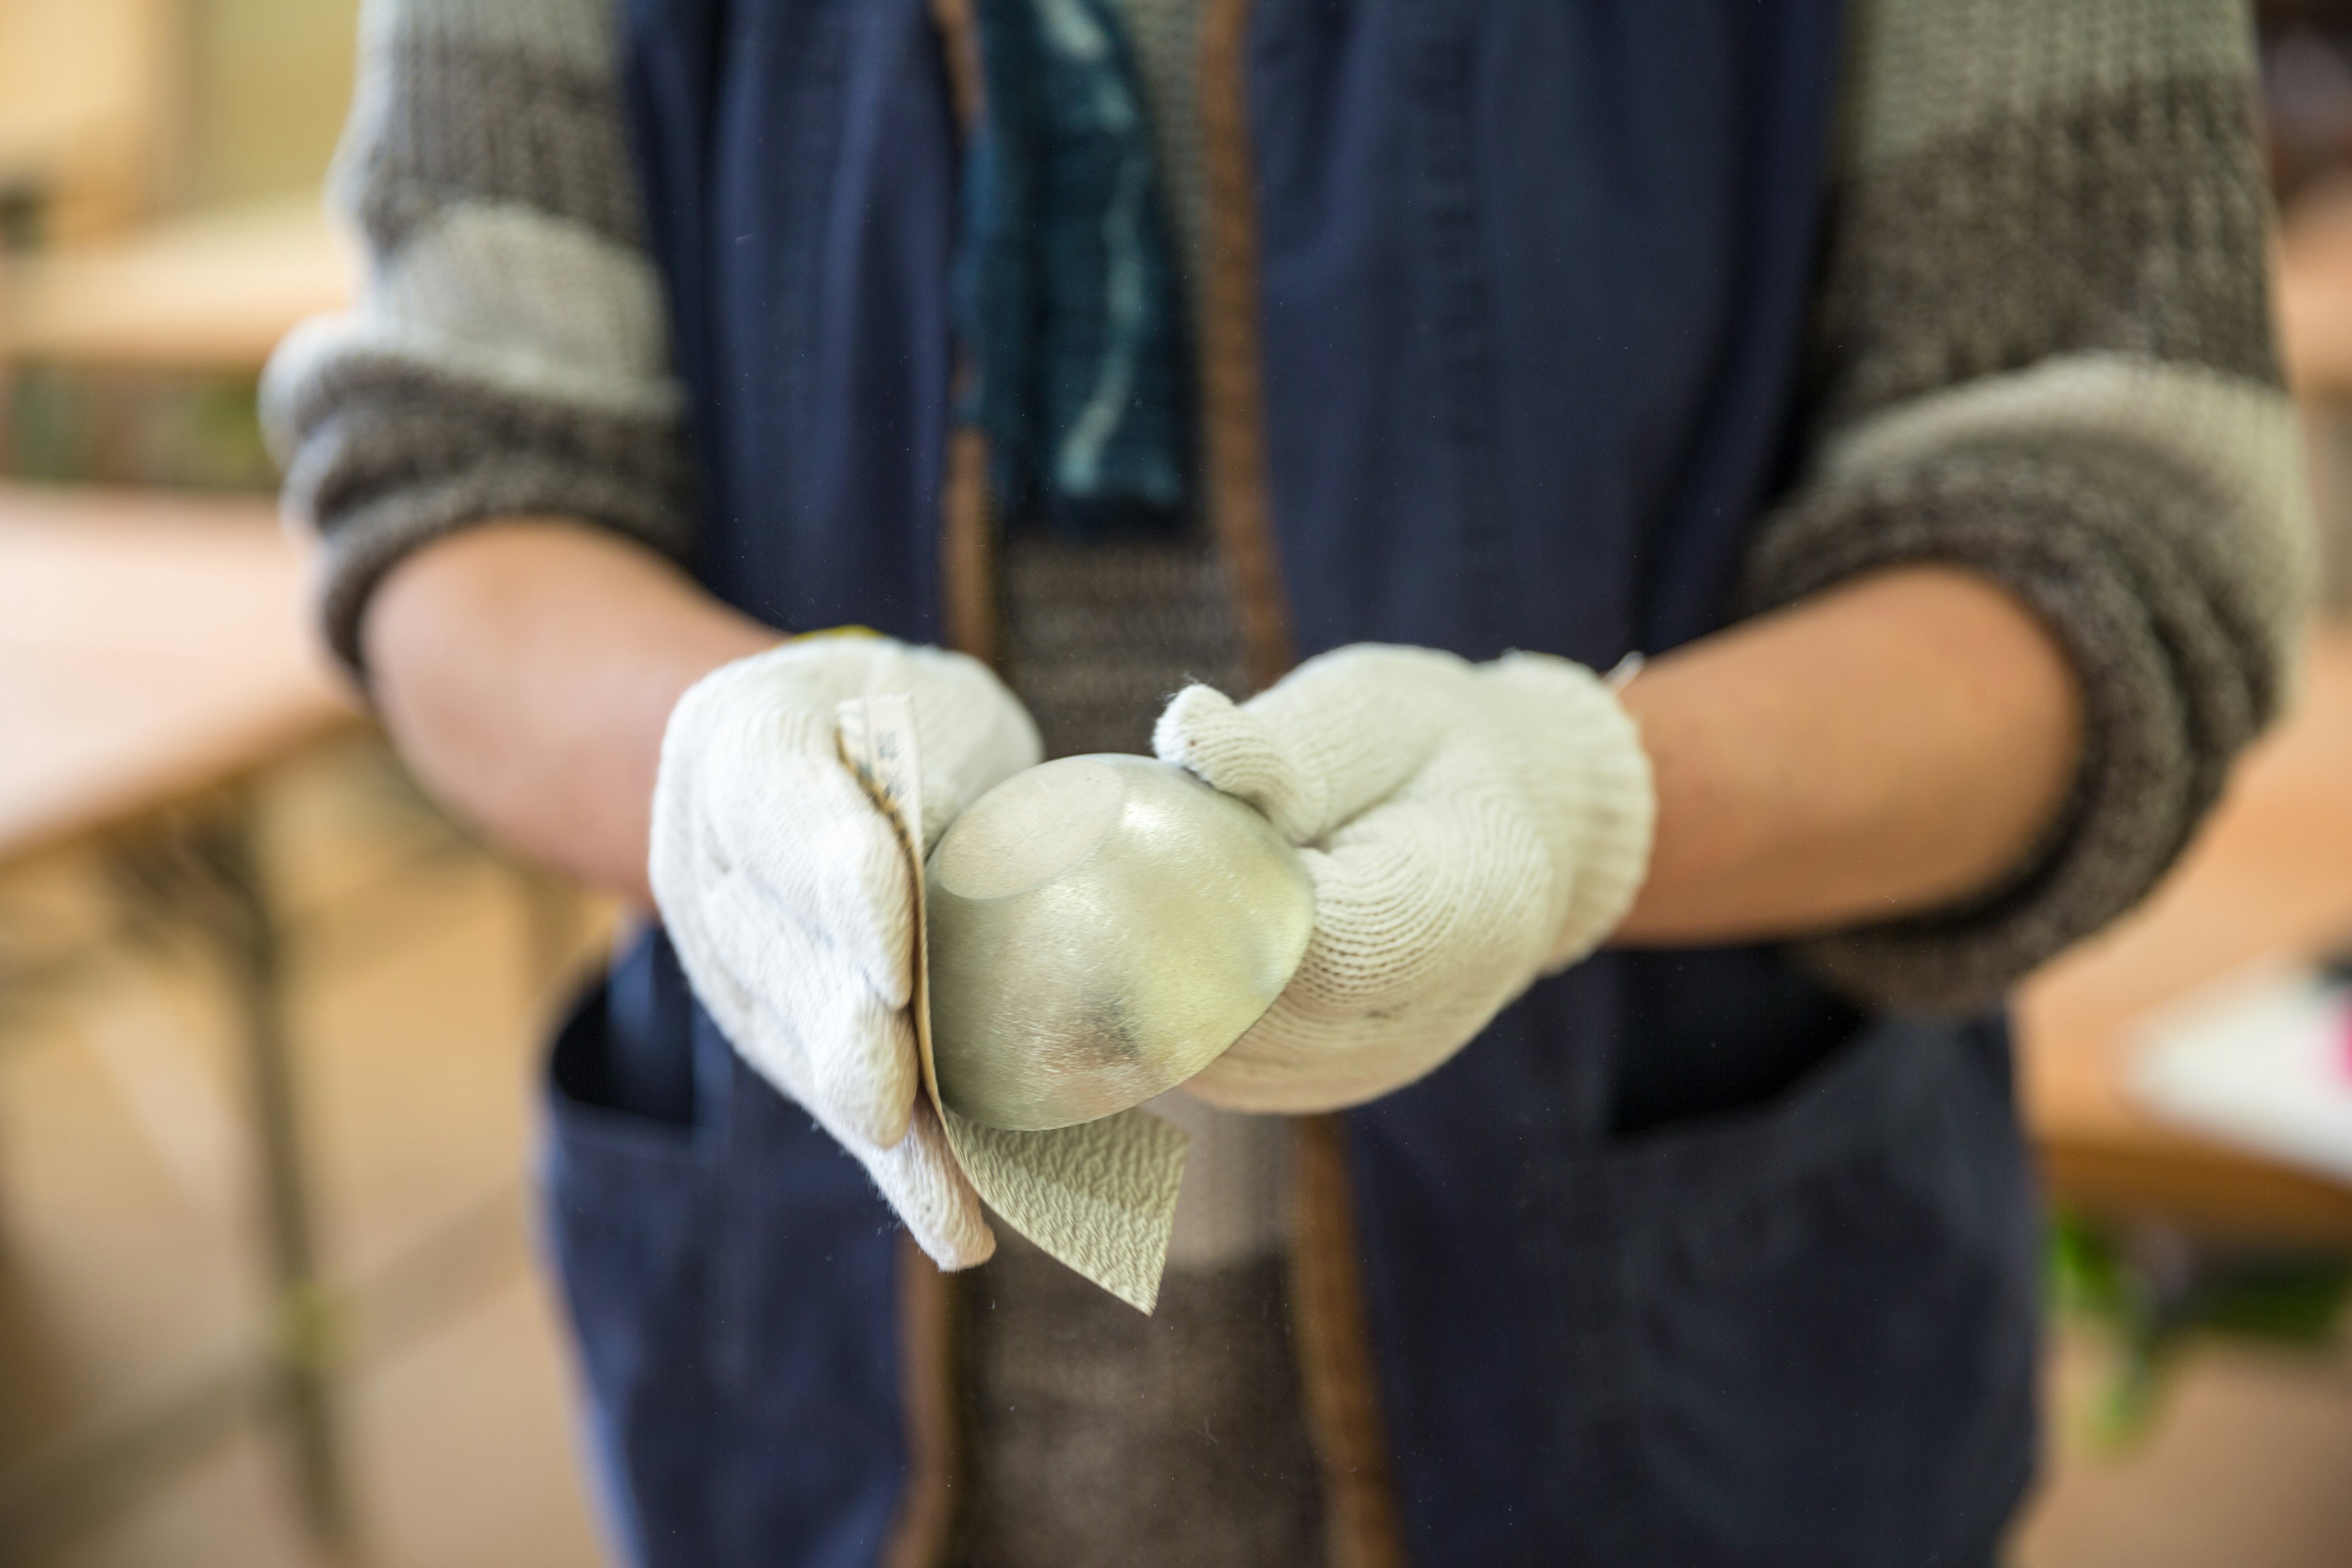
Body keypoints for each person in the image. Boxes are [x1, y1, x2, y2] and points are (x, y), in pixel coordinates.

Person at [263, 0, 2311, 1562]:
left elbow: (2105, 515)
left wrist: (1585, 799)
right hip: (819, 1396)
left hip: (1677, 1400)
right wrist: (719, 764)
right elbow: (464, 475)